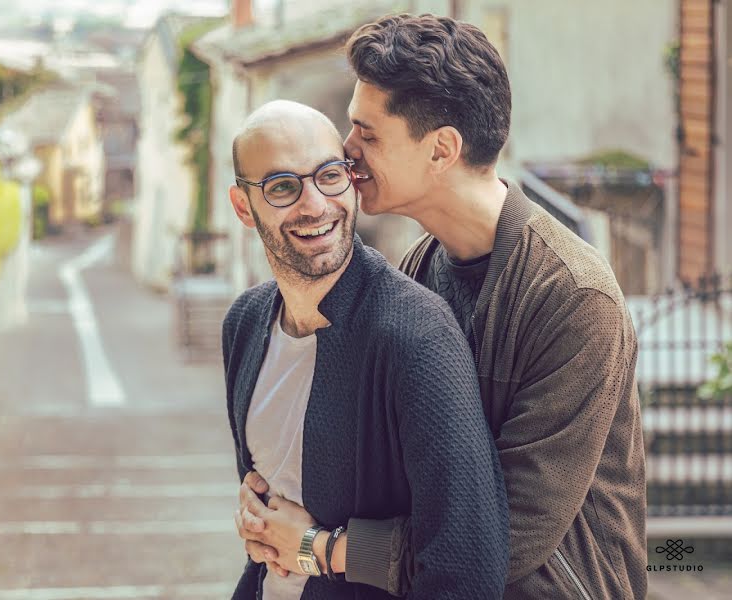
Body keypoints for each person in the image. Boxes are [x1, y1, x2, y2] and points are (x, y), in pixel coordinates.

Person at [236, 13, 648, 600]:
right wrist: (264, 511)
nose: (346, 154)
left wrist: (318, 548)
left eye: (367, 135)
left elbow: (504, 536)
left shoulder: (574, 298)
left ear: (442, 149)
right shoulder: (418, 271)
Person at [222, 99, 508, 599]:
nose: (314, 204)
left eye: (330, 176)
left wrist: (315, 548)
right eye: (282, 187)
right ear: (244, 206)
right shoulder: (244, 325)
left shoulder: (417, 337)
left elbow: (467, 566)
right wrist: (254, 512)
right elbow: (271, 486)